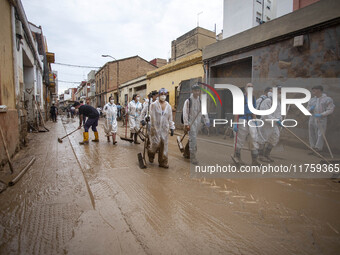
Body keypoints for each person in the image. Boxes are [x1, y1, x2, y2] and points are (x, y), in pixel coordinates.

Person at [182, 83, 210, 165]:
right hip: (191, 122)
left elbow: (205, 113)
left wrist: (207, 122)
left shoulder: (201, 101)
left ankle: (186, 152)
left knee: (192, 138)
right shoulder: (188, 101)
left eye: (198, 90)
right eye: (195, 91)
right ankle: (193, 157)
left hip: (198, 123)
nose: (197, 92)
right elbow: (185, 113)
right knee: (193, 139)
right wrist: (186, 124)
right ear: (192, 91)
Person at [233, 83, 259, 165]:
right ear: (245, 88)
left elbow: (254, 111)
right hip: (242, 119)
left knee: (253, 138)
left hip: (251, 120)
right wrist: (235, 123)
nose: (250, 88)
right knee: (240, 139)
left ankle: (255, 160)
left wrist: (256, 121)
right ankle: (237, 157)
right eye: (248, 86)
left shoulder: (253, 98)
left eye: (252, 86)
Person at [148, 88, 175, 168]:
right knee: (155, 144)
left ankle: (163, 161)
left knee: (164, 145)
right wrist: (146, 118)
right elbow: (150, 114)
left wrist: (172, 127)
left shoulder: (168, 106)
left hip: (164, 128)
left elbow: (170, 118)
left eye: (165, 94)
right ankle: (151, 154)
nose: (163, 96)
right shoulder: (153, 104)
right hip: (155, 128)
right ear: (159, 95)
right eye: (161, 94)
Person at [257, 86, 282, 162]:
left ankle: (267, 154)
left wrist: (279, 119)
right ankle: (260, 156)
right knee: (263, 139)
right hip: (266, 124)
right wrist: (275, 120)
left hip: (274, 124)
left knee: (275, 138)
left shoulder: (277, 101)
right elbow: (265, 115)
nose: (280, 94)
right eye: (279, 92)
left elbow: (278, 112)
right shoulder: (267, 101)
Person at [307, 85, 335, 152]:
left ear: (319, 90)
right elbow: (307, 109)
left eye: (314, 89)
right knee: (311, 133)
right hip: (312, 118)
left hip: (321, 118)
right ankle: (312, 147)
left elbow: (331, 109)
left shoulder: (327, 99)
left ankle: (318, 148)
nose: (313, 91)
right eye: (312, 90)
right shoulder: (312, 100)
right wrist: (310, 109)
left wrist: (322, 114)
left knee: (320, 134)